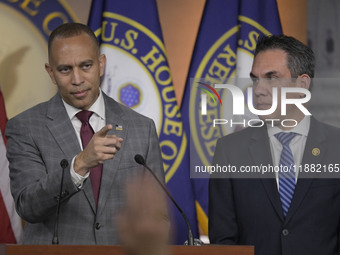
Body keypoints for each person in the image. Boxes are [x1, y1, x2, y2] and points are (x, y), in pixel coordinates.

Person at [5, 23, 164, 244]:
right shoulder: (25, 127)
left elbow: (156, 213)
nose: (77, 79)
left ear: (101, 65)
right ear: (51, 72)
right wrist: (79, 165)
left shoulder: (141, 127)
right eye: (65, 69)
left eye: (86, 66)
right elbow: (28, 206)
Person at [209, 35, 340, 255]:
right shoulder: (229, 150)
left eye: (271, 77)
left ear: (302, 85)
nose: (258, 89)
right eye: (255, 79)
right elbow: (223, 242)